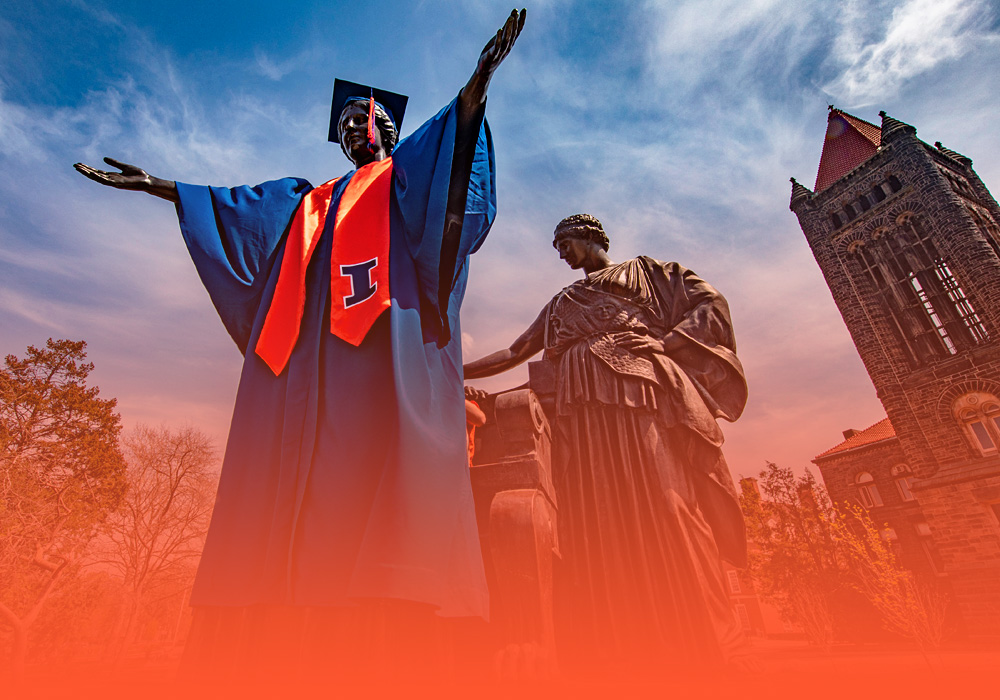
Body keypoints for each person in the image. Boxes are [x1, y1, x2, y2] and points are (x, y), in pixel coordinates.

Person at [74, 9, 525, 678]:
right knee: (285, 506)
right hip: (301, 384)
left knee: (380, 498)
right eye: (343, 129)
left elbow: (446, 172)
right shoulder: (301, 204)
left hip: (381, 357)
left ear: (391, 131)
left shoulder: (405, 185)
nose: (352, 133)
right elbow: (234, 212)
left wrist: (472, 94)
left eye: (362, 123)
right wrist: (160, 187)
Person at [463, 213, 749, 673]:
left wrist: (668, 343)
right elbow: (517, 352)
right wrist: (453, 369)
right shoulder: (561, 302)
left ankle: (703, 643)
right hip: (580, 411)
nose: (561, 254)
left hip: (639, 393)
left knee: (669, 504)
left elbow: (711, 303)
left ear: (590, 237)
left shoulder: (647, 272)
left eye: (564, 243)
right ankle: (616, 644)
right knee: (594, 516)